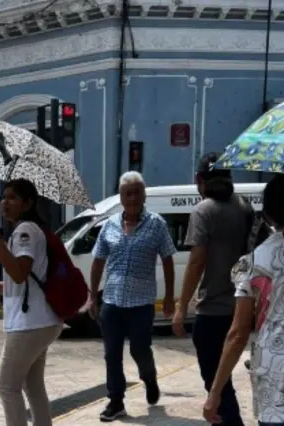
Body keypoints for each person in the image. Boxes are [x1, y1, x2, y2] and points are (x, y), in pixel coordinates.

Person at [203, 173, 284, 426]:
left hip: (275, 384)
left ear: (269, 213)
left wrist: (214, 393)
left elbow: (237, 333)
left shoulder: (254, 261)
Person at [0, 178, 63, 426]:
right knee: (33, 387)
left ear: (28, 203)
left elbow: (19, 274)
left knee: (7, 386)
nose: (5, 202)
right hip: (41, 321)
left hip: (30, 324)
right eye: (3, 197)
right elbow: (20, 284)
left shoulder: (25, 231)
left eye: (12, 198)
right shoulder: (26, 231)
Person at [88, 171, 176, 422]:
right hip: (113, 300)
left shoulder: (156, 224)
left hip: (141, 302)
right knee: (111, 353)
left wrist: (169, 296)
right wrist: (93, 297)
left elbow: (168, 260)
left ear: (144, 195)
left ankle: (149, 377)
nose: (133, 197)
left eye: (137, 192)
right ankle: (116, 401)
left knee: (139, 348)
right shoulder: (110, 225)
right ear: (121, 196)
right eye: (128, 193)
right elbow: (97, 263)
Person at [172, 153, 249, 426]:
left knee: (216, 383)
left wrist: (181, 307)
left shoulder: (204, 210)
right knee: (224, 379)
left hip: (213, 311)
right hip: (241, 307)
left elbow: (196, 261)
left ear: (199, 181)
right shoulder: (244, 207)